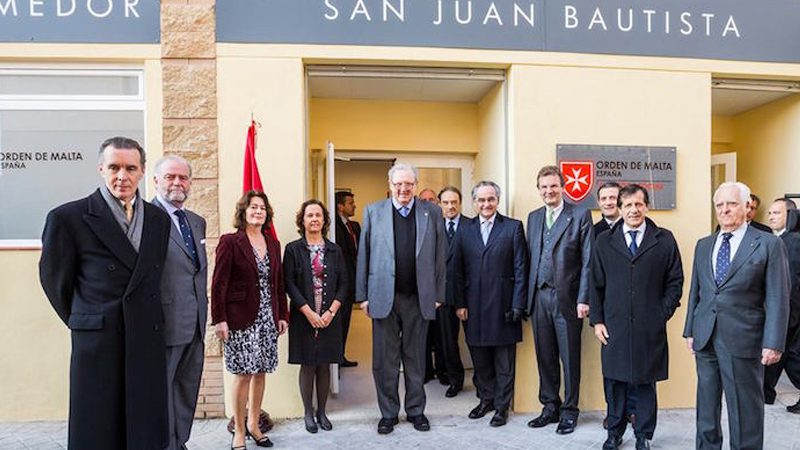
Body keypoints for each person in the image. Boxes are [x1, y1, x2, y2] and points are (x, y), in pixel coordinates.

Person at [39, 136, 171, 449]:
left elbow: (153, 277)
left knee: (144, 426)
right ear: (101, 169)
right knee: (98, 426)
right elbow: (55, 281)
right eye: (114, 167)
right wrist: (87, 318)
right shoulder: (68, 218)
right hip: (98, 340)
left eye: (130, 168)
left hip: (146, 335)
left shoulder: (158, 220)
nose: (121, 176)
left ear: (141, 173)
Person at [683, 182, 790, 450]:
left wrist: (774, 342)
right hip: (705, 336)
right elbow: (697, 290)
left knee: (745, 411)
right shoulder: (704, 244)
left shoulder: (767, 244)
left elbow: (778, 296)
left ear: (747, 207)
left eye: (731, 203)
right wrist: (690, 330)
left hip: (744, 339)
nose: (725, 209)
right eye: (719, 205)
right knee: (706, 409)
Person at [590, 184, 684, 450]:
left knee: (645, 383)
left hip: (648, 325)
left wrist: (661, 313)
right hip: (613, 325)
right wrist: (597, 321)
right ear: (620, 208)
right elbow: (595, 284)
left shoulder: (664, 239)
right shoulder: (604, 241)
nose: (634, 209)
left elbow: (675, 281)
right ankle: (615, 432)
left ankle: (643, 434)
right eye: (628, 205)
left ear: (647, 206)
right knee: (615, 382)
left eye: (639, 204)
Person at [355, 163, 447, 435]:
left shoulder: (432, 212)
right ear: (390, 184)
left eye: (409, 184)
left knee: (416, 358)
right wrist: (362, 295)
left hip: (419, 297)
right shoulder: (374, 211)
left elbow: (441, 257)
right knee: (385, 361)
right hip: (383, 296)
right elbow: (364, 255)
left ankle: (416, 411)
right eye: (399, 184)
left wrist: (439, 294)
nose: (404, 189)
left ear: (415, 186)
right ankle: (388, 413)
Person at [211, 191, 289, 449]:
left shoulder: (273, 244)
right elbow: (219, 283)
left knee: (261, 372)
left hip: (267, 317)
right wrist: (219, 319)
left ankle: (255, 425)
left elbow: (278, 283)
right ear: (243, 211)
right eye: (253, 207)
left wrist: (282, 315)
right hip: (240, 318)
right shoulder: (230, 241)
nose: (258, 211)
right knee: (243, 373)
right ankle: (240, 431)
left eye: (262, 208)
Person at [524, 165, 592, 435]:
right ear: (538, 189)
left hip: (569, 299)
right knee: (545, 356)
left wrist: (584, 298)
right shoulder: (534, 217)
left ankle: (570, 411)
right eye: (544, 187)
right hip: (539, 296)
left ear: (562, 187)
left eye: (553, 186)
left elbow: (588, 260)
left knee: (569, 357)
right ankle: (550, 406)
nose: (549, 191)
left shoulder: (579, 214)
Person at [453, 181, 527, 427]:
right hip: (473, 307)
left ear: (497, 200)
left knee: (504, 362)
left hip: (504, 306)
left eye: (491, 199)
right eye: (481, 200)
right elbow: (457, 271)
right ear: (474, 203)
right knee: (480, 359)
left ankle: (501, 408)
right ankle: (485, 399)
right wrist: (459, 304)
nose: (486, 204)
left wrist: (518, 304)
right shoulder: (464, 229)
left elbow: (521, 268)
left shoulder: (513, 228)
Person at [152, 156, 208, 450]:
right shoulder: (145, 218)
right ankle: (165, 443)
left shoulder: (196, 222)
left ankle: (179, 441)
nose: (177, 183)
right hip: (164, 323)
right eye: (170, 177)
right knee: (163, 390)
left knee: (186, 388)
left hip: (195, 322)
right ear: (156, 181)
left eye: (183, 178)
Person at [284, 200, 348, 433]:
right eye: (309, 215)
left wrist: (331, 311)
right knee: (308, 364)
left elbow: (344, 284)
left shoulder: (334, 249)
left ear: (324, 220)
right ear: (303, 220)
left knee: (324, 364)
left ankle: (322, 412)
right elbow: (289, 283)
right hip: (303, 316)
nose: (314, 219)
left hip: (330, 316)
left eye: (318, 215)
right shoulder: (293, 249)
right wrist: (309, 312)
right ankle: (308, 413)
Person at [592, 181, 635, 430]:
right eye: (604, 198)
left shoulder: (635, 227)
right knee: (613, 365)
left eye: (613, 197)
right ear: (599, 202)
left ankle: (633, 410)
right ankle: (614, 411)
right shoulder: (593, 230)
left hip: (636, 309)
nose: (608, 202)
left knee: (637, 363)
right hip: (609, 310)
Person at [763, 198, 800, 409]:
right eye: (770, 212)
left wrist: (785, 318)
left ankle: (765, 393)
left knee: (789, 357)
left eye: (776, 213)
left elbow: (791, 284)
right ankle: (765, 393)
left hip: (790, 314)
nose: (770, 217)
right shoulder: (781, 239)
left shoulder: (791, 242)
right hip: (787, 314)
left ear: (790, 215)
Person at [437, 186, 467, 398]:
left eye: (454, 202)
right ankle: (455, 380)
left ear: (460, 202)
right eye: (446, 202)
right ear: (440, 204)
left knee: (474, 340)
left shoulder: (471, 225)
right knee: (447, 341)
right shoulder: (434, 227)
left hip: (469, 293)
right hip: (444, 295)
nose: (450, 206)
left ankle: (482, 380)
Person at [419, 186, 443, 382]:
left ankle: (445, 373)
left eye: (431, 199)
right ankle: (426, 372)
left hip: (442, 290)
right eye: (424, 199)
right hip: (421, 292)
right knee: (423, 338)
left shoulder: (443, 222)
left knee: (443, 338)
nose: (428, 202)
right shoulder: (417, 224)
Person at [334, 191, 360, 367]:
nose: (354, 206)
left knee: (347, 320)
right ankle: (337, 358)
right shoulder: (334, 228)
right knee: (340, 321)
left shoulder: (355, 226)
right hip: (340, 283)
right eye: (351, 203)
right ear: (340, 207)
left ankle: (341, 356)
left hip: (353, 282)